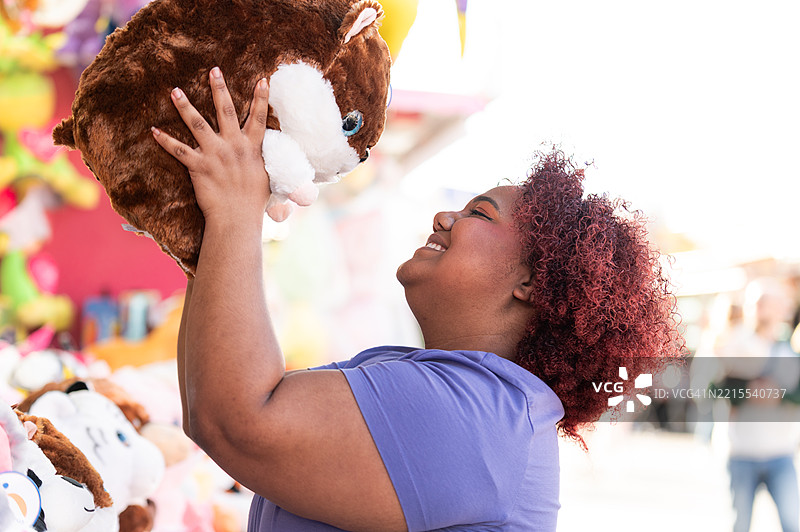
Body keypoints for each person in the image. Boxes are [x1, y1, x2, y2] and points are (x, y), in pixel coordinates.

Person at [153, 68, 681, 531]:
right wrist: (212, 232)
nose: (444, 216)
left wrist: (235, 211)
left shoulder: (482, 416)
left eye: (479, 214)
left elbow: (236, 422)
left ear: (531, 283)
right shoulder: (460, 391)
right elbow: (211, 403)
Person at [714, 279, 800, 532]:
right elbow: (710, 388)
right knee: (740, 524)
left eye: (766, 302)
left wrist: (781, 396)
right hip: (742, 452)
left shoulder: (790, 350)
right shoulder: (733, 343)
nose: (760, 308)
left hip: (781, 453)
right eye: (756, 303)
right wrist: (747, 391)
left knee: (792, 522)